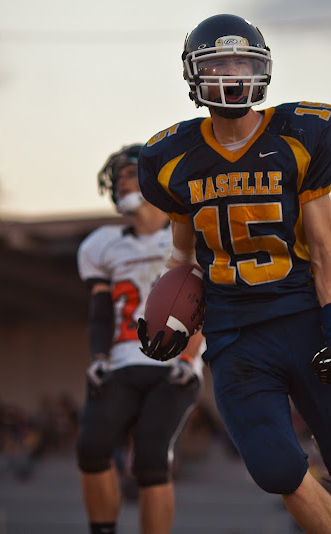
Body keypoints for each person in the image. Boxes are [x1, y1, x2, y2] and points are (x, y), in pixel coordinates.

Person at [136, 14, 331, 533]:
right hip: (235, 337)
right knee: (277, 469)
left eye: (241, 61)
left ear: (261, 69)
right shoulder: (172, 158)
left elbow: (324, 250)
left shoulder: (301, 134)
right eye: (220, 63)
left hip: (303, 321)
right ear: (195, 76)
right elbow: (181, 261)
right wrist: (168, 326)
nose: (232, 73)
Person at [75, 144, 203, 534]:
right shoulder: (101, 245)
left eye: (129, 174)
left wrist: (187, 359)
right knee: (91, 448)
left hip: (172, 365)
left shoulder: (192, 232)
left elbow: (202, 306)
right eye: (117, 177)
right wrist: (98, 356)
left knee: (150, 457)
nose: (120, 183)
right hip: (122, 361)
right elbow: (99, 313)